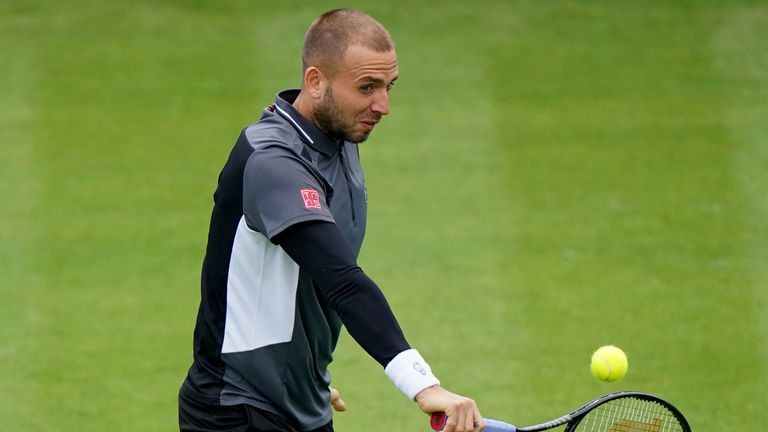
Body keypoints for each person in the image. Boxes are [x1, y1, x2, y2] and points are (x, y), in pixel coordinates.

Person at [178, 8, 485, 432]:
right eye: (366, 88)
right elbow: (341, 279)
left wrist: (302, 379)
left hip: (297, 400)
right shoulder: (275, 162)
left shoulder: (338, 136)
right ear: (316, 81)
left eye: (387, 86)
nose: (383, 105)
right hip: (239, 410)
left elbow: (300, 281)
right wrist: (423, 385)